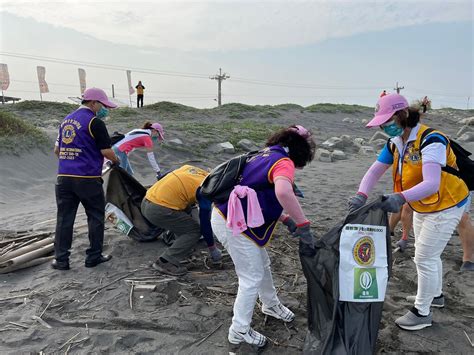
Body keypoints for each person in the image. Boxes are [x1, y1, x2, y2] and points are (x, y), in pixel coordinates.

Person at [348, 93, 470, 331]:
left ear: (403, 115)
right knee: (427, 254)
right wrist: (361, 195)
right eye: (382, 123)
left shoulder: (431, 140)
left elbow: (432, 183)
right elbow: (374, 172)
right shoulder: (395, 143)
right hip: (424, 204)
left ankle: (422, 312)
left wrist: (400, 197)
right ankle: (435, 297)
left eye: (388, 121)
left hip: (447, 203)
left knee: (424, 257)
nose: (385, 126)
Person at [210, 125, 316, 348]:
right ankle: (239, 331)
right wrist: (303, 224)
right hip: (233, 223)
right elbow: (283, 192)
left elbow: (256, 194)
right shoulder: (282, 161)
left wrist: (285, 219)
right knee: (250, 277)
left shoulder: (263, 154)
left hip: (233, 218)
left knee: (262, 264)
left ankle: (270, 304)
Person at [53, 88, 119, 270]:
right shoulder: (94, 122)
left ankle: (61, 260)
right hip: (87, 178)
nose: (105, 109)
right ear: (93, 103)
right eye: (103, 105)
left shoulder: (66, 120)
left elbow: (57, 151)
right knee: (95, 216)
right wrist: (116, 159)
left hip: (64, 178)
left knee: (64, 219)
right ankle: (93, 257)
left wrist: (72, 162)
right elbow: (106, 151)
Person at [141, 165, 222, 276]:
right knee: (194, 231)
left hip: (147, 200)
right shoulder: (206, 190)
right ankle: (165, 261)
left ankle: (182, 251)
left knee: (187, 209)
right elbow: (205, 224)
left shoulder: (194, 170)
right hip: (158, 210)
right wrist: (212, 248)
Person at [392, 196, 474, 272]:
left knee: (463, 217)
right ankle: (391, 232)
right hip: (431, 188)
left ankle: (468, 259)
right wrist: (404, 237)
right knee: (406, 205)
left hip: (459, 186)